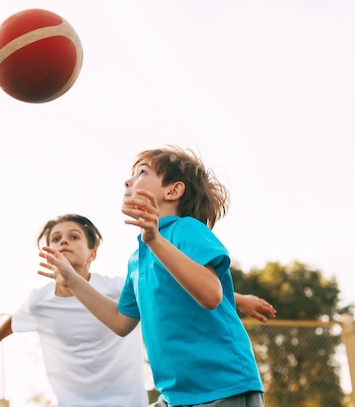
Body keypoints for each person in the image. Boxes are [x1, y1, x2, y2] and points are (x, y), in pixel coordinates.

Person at [39, 146, 269, 407]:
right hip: (175, 396)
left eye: (141, 172)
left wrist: (155, 239)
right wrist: (72, 280)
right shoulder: (138, 258)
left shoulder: (186, 230)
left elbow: (211, 295)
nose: (128, 180)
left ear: (172, 191)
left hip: (223, 388)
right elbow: (120, 321)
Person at [0, 213, 274, 407]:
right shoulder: (40, 300)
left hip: (128, 400)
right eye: (56, 238)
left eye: (74, 236)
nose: (63, 240)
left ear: (93, 252)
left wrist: (239, 298)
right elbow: (13, 322)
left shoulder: (118, 286)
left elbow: (166, 288)